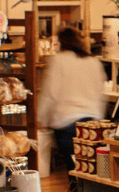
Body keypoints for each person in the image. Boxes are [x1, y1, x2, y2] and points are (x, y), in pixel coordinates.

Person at [38, 26, 106, 168]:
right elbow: (100, 93)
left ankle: (74, 189)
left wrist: (41, 118)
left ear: (61, 42)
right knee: (89, 168)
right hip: (91, 122)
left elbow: (51, 93)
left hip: (67, 121)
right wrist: (99, 119)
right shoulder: (93, 61)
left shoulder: (59, 60)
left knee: (73, 168)